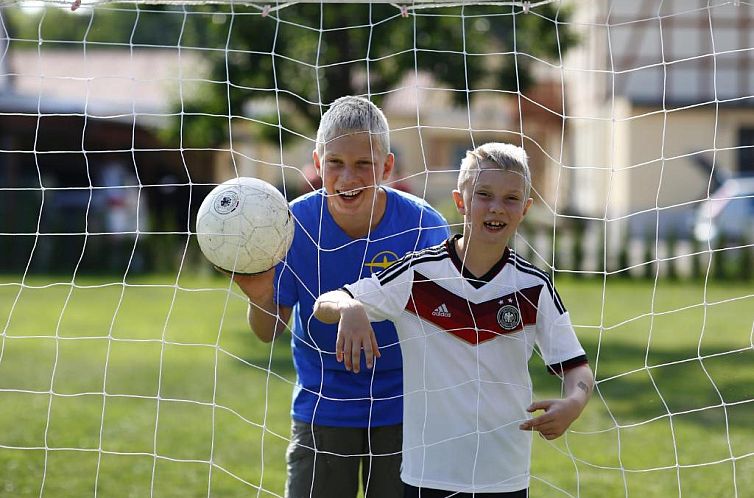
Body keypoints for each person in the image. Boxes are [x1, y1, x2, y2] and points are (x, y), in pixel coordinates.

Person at [313, 142, 594, 497]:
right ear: (460, 202)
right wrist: (350, 307)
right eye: (484, 195)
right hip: (427, 475)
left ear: (525, 209)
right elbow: (325, 303)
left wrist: (573, 403)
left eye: (510, 199)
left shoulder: (533, 286)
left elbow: (577, 368)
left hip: (504, 476)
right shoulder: (418, 273)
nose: (496, 208)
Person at [232, 95, 450, 498]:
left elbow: (444, 322)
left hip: (407, 411)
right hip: (323, 410)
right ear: (318, 162)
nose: (348, 178)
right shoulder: (290, 226)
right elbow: (268, 332)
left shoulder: (422, 226)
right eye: (336, 163)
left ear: (386, 167)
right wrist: (260, 296)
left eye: (363, 165)